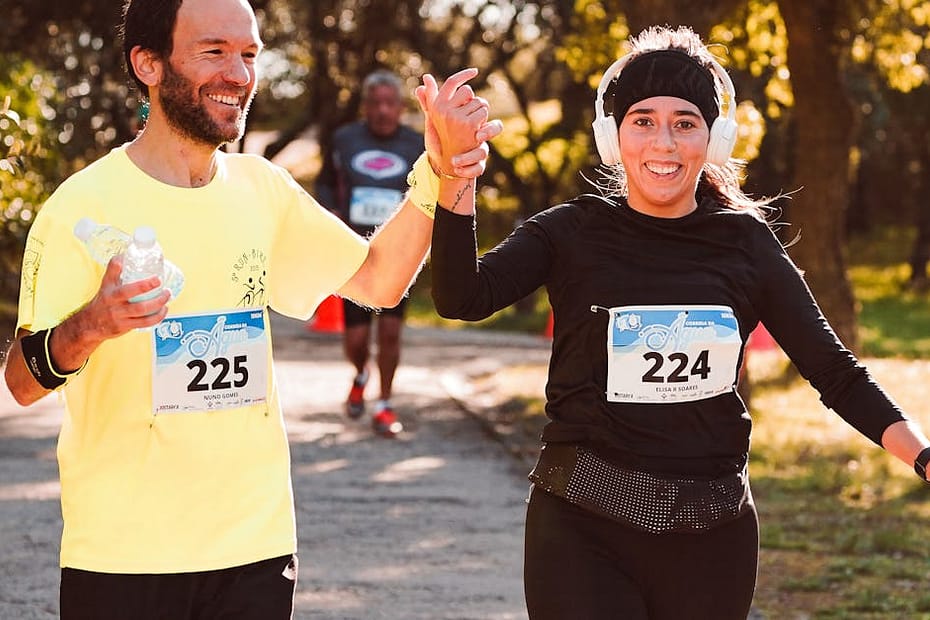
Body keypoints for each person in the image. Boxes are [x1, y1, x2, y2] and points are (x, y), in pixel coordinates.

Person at [1, 0, 499, 617]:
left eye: (249, 54)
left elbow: (378, 280)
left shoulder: (262, 191)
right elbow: (21, 382)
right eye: (213, 51)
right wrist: (92, 325)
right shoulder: (82, 207)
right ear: (148, 63)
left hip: (255, 547)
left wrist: (440, 168)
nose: (238, 74)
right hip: (125, 553)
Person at [428, 24, 930, 620]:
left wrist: (924, 458)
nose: (662, 143)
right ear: (613, 136)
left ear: (712, 139)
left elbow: (834, 372)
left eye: (684, 123)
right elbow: (463, 297)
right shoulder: (569, 232)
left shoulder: (745, 244)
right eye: (642, 120)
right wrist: (457, 175)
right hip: (582, 529)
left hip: (713, 536)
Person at [315, 69, 422, 438]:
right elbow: (325, 183)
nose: (382, 110)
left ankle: (385, 404)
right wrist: (328, 211)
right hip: (354, 253)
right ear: (365, 106)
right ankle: (360, 372)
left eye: (389, 103)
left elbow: (428, 193)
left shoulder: (416, 144)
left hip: (399, 253)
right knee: (357, 340)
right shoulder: (345, 140)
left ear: (400, 107)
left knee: (391, 333)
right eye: (375, 103)